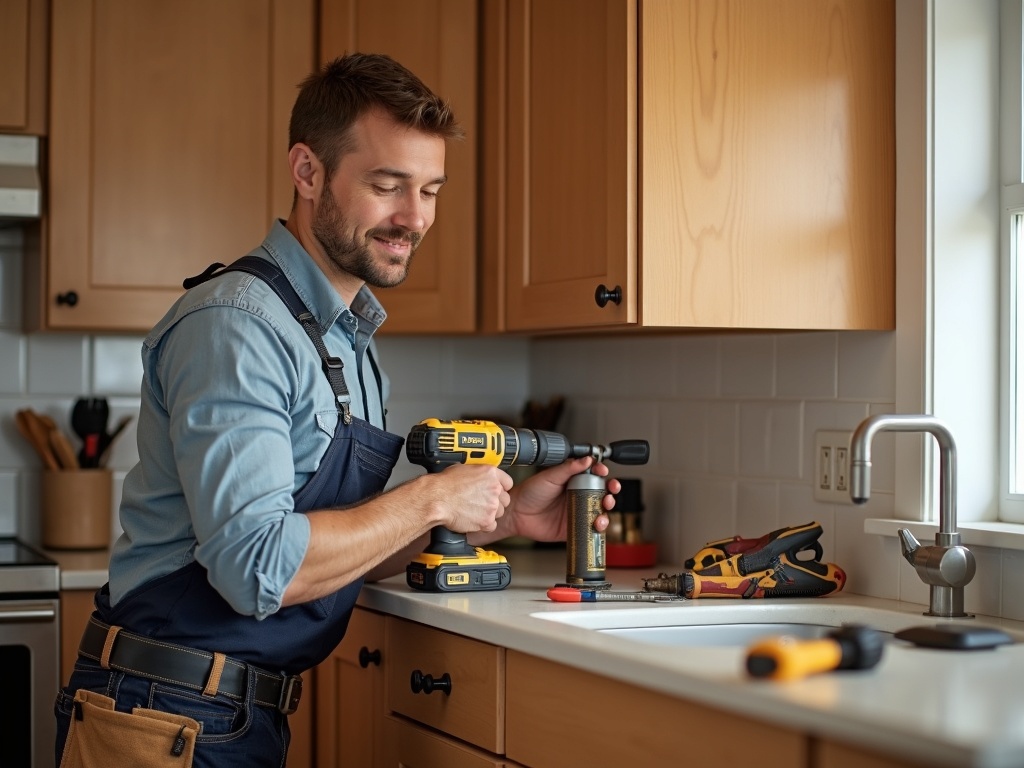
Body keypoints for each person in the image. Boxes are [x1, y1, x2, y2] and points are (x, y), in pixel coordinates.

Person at [54, 53, 618, 768]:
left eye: (431, 190)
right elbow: (259, 566)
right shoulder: (239, 327)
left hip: (231, 716)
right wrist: (430, 497)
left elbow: (337, 548)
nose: (414, 218)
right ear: (308, 171)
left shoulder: (344, 337)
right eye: (387, 186)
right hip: (162, 717)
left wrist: (502, 518)